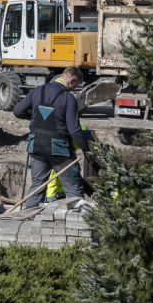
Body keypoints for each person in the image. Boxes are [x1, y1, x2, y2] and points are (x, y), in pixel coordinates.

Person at [13, 66, 91, 208]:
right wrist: (87, 149)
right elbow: (74, 130)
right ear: (72, 81)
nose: (74, 89)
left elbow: (17, 111)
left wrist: (34, 117)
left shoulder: (38, 91)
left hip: (35, 145)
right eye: (76, 85)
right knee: (73, 186)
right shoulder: (68, 98)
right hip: (59, 148)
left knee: (37, 186)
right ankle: (77, 223)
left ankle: (28, 219)